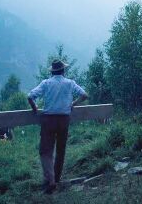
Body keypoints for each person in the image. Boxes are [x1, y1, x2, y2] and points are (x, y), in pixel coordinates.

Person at [28, 59, 88, 194]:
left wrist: (35, 108)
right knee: (61, 150)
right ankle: (57, 177)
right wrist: (73, 103)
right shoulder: (70, 83)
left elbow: (30, 96)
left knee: (45, 151)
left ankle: (51, 180)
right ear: (63, 70)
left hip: (48, 120)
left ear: (52, 71)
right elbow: (84, 95)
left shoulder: (46, 83)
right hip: (64, 120)